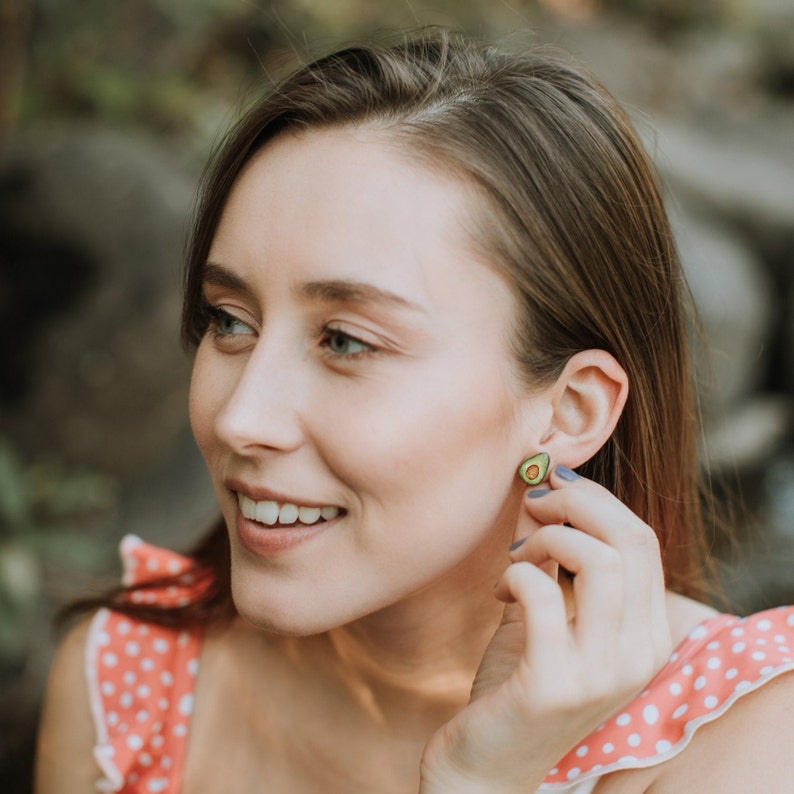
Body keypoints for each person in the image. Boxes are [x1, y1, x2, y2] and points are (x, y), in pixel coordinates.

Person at [35, 28, 794, 793]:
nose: (241, 418)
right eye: (229, 319)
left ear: (568, 411)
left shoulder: (744, 737)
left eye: (346, 340)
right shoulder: (126, 687)